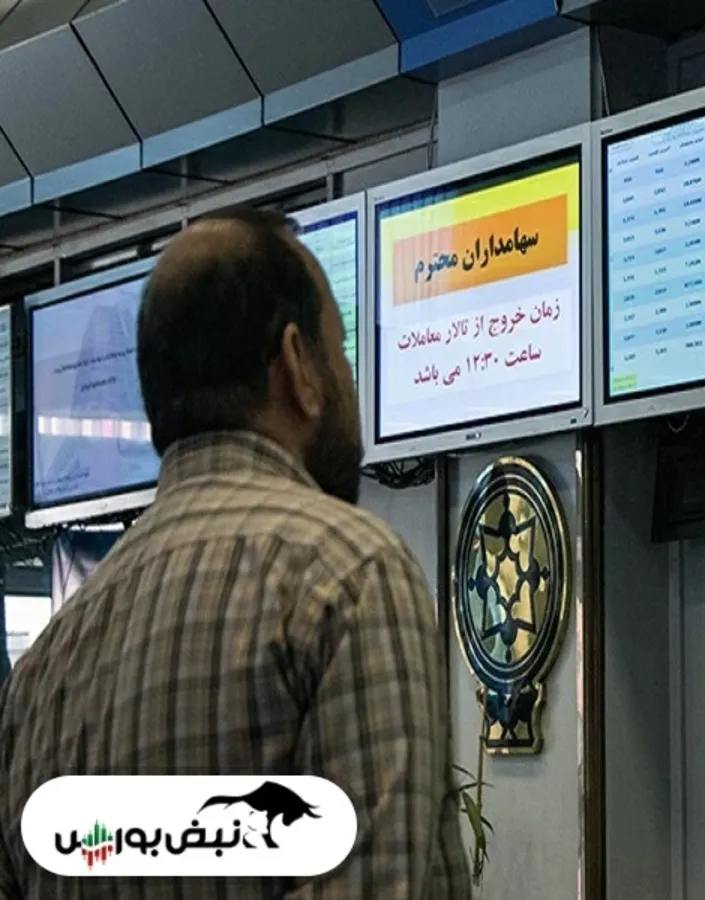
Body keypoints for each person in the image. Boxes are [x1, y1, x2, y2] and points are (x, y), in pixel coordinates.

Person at [0, 208, 470, 898]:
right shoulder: (349, 578)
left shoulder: (41, 675)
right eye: (339, 350)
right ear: (296, 363)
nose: (346, 377)